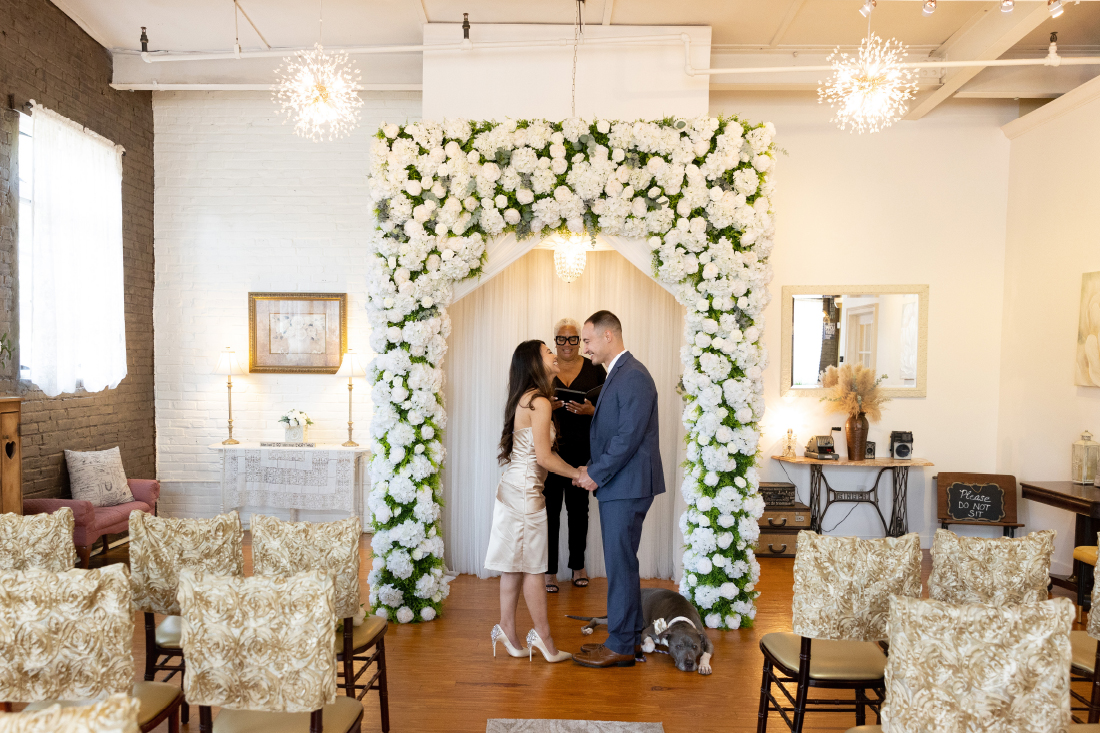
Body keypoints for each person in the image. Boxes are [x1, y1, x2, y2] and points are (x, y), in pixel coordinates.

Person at [570, 310, 665, 669]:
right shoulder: (620, 374)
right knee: (620, 564)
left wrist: (597, 473)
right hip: (621, 482)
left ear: (609, 336)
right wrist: (594, 469)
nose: (585, 348)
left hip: (626, 484)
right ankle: (623, 639)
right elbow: (615, 432)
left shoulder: (634, 375)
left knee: (621, 565)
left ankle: (623, 646)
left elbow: (628, 438)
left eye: (588, 340)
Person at [485, 339, 577, 663]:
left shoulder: (525, 399)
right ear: (535, 363)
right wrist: (578, 473)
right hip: (524, 494)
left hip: (512, 490)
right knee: (535, 569)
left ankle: (507, 631)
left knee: (514, 566)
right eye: (548, 351)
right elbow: (545, 458)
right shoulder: (539, 402)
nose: (554, 354)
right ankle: (544, 640)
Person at [543, 317, 606, 593]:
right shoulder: (545, 368)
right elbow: (529, 401)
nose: (567, 345)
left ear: (579, 341)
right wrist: (549, 405)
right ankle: (549, 571)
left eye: (572, 339)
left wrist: (592, 411)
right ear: (555, 340)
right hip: (550, 451)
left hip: (583, 452)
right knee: (549, 512)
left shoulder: (595, 368)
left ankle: (578, 566)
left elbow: (609, 405)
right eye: (561, 339)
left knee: (579, 512)